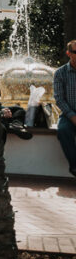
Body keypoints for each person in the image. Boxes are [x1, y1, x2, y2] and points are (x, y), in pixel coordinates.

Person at [53, 39, 76, 177]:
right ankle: (74, 166)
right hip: (68, 114)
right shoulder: (60, 73)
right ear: (69, 53)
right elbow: (59, 99)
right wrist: (73, 117)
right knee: (63, 130)